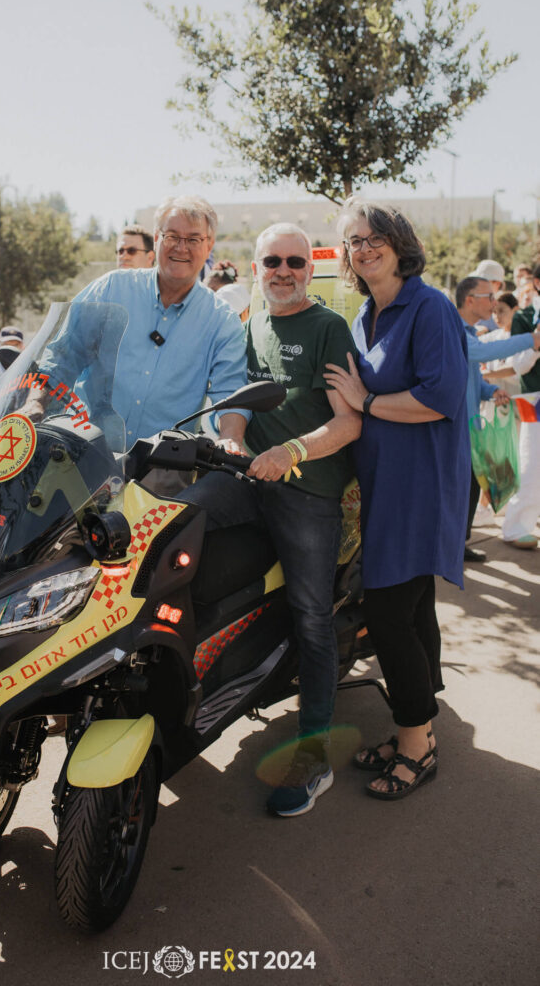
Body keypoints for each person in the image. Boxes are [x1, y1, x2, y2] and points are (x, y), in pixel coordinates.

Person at [180, 222, 361, 818]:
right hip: (246, 481)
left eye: (294, 261)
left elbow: (348, 422)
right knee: (171, 539)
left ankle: (314, 761)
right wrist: (231, 441)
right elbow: (235, 406)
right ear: (255, 268)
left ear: (310, 269)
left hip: (306, 490)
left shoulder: (327, 327)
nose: (283, 270)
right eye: (271, 262)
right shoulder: (250, 321)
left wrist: (293, 453)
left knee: (312, 617)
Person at [325, 199, 469, 800]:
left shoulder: (428, 306)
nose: (364, 248)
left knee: (387, 614)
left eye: (375, 236)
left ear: (398, 241)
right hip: (384, 488)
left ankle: (417, 746)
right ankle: (420, 724)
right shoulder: (365, 314)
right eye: (354, 241)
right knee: (411, 610)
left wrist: (368, 404)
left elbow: (441, 397)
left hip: (422, 488)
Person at [40, 196, 248, 454]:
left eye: (193, 239)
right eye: (172, 236)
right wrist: (33, 406)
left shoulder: (222, 321)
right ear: (157, 238)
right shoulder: (112, 288)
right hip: (82, 456)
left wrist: (230, 439)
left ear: (209, 245)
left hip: (162, 473)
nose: (181, 248)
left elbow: (231, 394)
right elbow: (62, 356)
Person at [455, 276, 540, 560]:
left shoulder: (467, 332)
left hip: (470, 428)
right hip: (453, 431)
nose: (494, 304)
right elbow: (482, 352)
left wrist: (490, 391)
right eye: (489, 297)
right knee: (458, 492)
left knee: (469, 488)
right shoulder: (456, 332)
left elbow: (472, 378)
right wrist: (532, 339)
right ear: (470, 300)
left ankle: (460, 544)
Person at [502, 260, 540, 548]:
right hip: (533, 398)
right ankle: (516, 526)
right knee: (531, 463)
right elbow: (519, 365)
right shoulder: (524, 317)